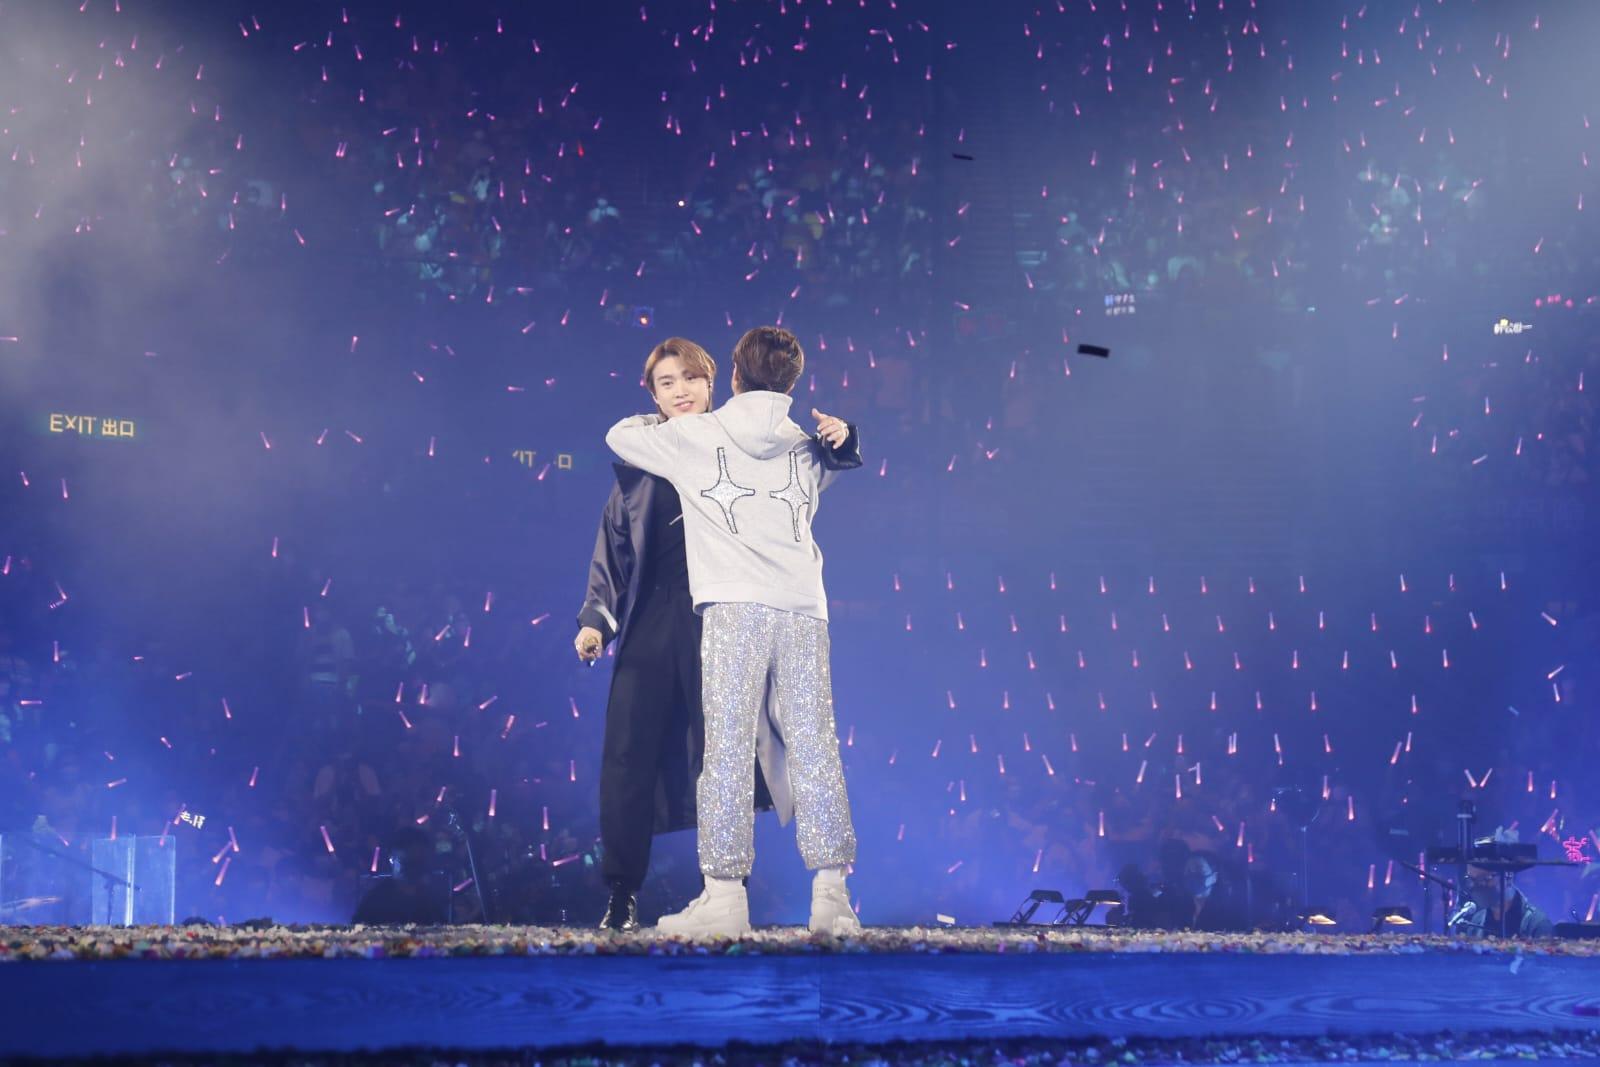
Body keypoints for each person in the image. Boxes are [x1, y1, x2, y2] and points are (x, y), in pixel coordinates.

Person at [578, 337, 861, 931]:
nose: (680, 391)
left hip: (725, 609)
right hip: (734, 611)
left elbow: (617, 434)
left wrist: (838, 442)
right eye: (666, 383)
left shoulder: (698, 440)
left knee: (725, 750)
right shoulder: (789, 443)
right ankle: (826, 895)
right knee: (802, 745)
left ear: (723, 380)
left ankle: (726, 894)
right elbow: (616, 547)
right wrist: (596, 620)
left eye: (690, 379)